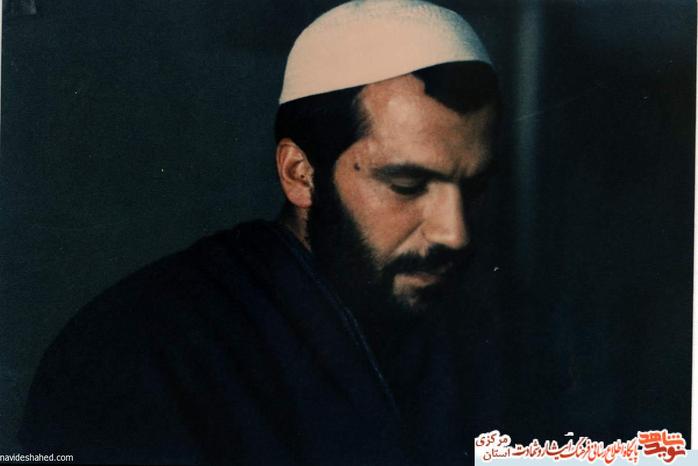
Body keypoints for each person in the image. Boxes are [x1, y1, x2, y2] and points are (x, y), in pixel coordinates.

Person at [19, 1, 511, 464]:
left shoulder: (492, 330)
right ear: (300, 174)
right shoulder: (136, 349)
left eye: (474, 188)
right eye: (406, 186)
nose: (455, 233)